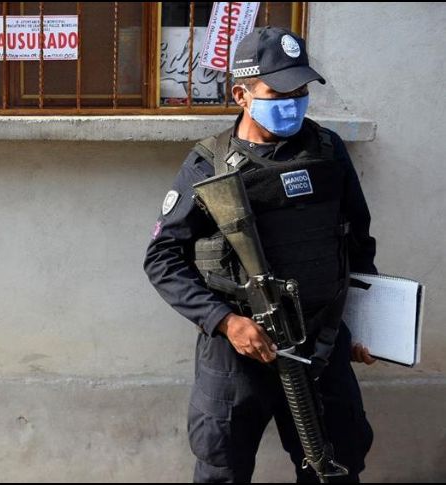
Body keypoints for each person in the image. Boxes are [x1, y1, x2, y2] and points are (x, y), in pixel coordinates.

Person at [143, 27, 378, 483]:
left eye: (302, 89)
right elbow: (163, 258)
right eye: (279, 91)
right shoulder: (207, 164)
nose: (293, 101)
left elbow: (358, 245)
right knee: (222, 470)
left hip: (321, 345)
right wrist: (224, 322)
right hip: (239, 353)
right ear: (242, 94)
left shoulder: (328, 153)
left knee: (336, 466)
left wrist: (366, 327)